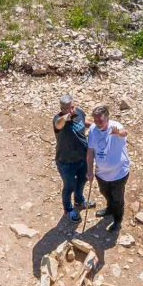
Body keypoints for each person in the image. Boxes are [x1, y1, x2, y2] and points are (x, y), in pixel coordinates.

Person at [85, 104, 130, 233]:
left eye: (100, 120)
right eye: (95, 120)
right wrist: (90, 171)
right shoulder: (93, 129)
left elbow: (124, 132)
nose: (97, 123)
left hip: (118, 174)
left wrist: (118, 132)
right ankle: (109, 209)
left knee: (117, 198)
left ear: (107, 118)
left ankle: (117, 220)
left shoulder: (116, 127)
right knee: (105, 192)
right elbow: (90, 152)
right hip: (101, 173)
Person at [53, 94, 94, 222]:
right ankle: (68, 210)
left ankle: (79, 201)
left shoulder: (79, 112)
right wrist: (66, 116)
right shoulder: (58, 119)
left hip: (82, 157)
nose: (71, 110)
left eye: (72, 107)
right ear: (62, 109)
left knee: (82, 181)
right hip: (66, 162)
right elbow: (58, 125)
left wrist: (94, 125)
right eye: (67, 109)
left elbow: (83, 122)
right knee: (69, 186)